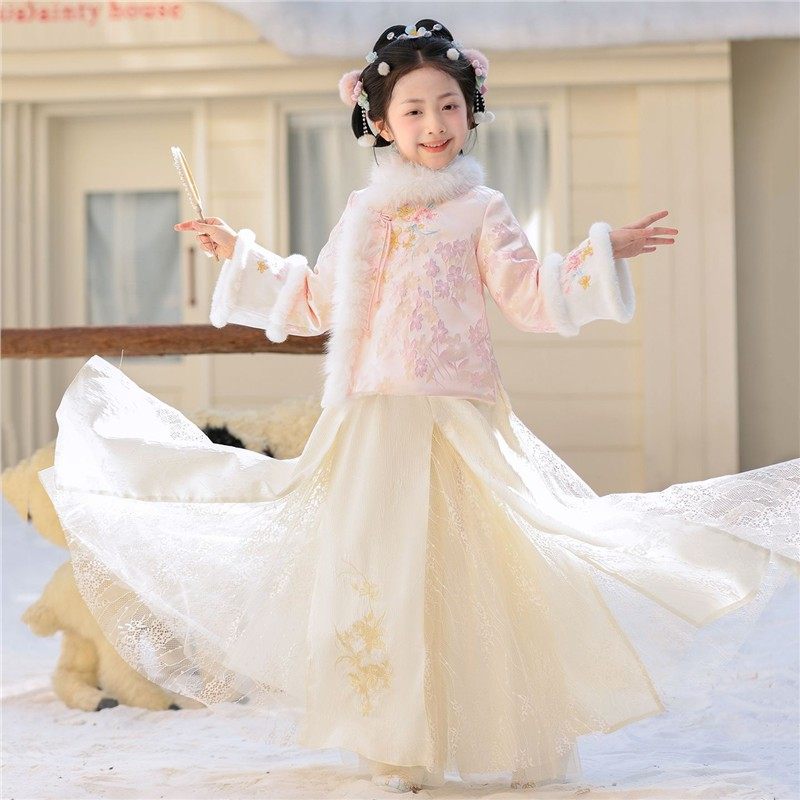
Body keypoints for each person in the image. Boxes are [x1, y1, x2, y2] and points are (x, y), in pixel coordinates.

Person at [39, 18, 798, 795]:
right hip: (372, 427)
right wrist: (239, 250)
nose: (433, 124)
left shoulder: (481, 210)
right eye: (413, 110)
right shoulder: (364, 214)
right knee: (380, 579)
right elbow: (316, 300)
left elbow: (531, 297)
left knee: (476, 576)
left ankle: (493, 728)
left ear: (471, 112)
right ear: (380, 122)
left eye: (448, 106)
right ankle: (398, 741)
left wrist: (598, 253)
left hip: (456, 425)